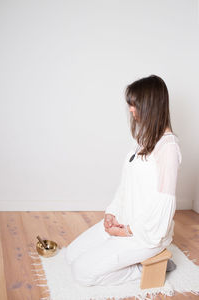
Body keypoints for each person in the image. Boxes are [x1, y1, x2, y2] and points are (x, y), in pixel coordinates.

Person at [64, 74, 182, 286]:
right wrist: (112, 213)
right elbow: (126, 187)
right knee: (71, 255)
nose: (130, 109)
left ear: (151, 105)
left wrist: (128, 231)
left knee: (81, 272)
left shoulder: (168, 148)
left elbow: (162, 208)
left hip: (145, 234)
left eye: (134, 104)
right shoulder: (143, 140)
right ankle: (120, 252)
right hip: (124, 221)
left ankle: (143, 269)